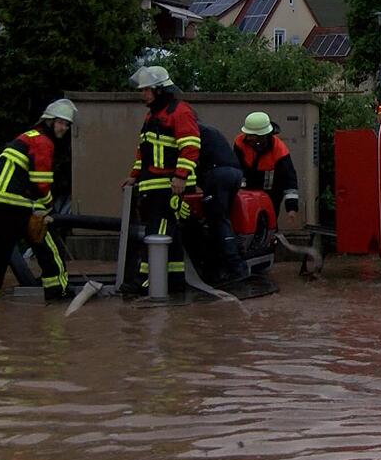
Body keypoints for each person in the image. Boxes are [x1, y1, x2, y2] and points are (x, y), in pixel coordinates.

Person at [0, 99, 77, 303]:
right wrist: (48, 209)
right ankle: (58, 294)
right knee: (49, 246)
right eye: (60, 122)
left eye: (66, 124)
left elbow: (25, 181)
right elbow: (41, 183)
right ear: (49, 121)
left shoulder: (26, 138)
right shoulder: (43, 142)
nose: (63, 128)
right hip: (13, 203)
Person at [120, 66, 200, 294]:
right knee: (169, 236)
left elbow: (191, 147)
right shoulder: (152, 116)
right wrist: (133, 177)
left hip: (171, 186)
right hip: (153, 186)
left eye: (146, 90)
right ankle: (174, 283)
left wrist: (180, 177)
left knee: (157, 233)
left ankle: (144, 282)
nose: (142, 95)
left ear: (159, 90)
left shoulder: (180, 112)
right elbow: (142, 152)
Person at [195, 122, 246, 282]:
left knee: (217, 220)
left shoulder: (190, 132)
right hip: (235, 174)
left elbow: (188, 160)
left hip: (218, 174)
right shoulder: (211, 130)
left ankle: (236, 268)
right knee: (221, 219)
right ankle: (220, 266)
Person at [234, 112, 300, 224]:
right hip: (246, 191)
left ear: (263, 135)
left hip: (272, 193)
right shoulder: (240, 142)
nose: (248, 137)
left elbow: (289, 179)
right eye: (247, 133)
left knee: (269, 223)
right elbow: (236, 167)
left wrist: (291, 208)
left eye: (252, 135)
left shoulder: (279, 150)